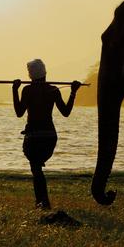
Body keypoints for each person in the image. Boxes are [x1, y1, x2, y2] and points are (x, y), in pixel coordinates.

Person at [12, 59, 81, 209]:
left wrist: (14, 90)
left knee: (36, 169)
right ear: (45, 73)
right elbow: (66, 112)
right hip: (50, 136)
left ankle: (43, 202)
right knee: (37, 168)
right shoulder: (53, 90)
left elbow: (19, 113)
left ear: (30, 76)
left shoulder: (27, 90)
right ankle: (42, 202)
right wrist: (73, 92)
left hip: (34, 136)